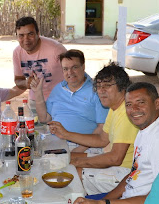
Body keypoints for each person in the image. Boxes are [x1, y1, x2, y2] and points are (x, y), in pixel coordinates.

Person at [73, 82, 159, 204]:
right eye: (129, 104)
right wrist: (105, 201)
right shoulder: (145, 129)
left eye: (141, 102)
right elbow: (133, 174)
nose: (134, 109)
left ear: (157, 103)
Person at [48, 63, 138, 195]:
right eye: (99, 86)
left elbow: (115, 159)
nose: (101, 91)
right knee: (62, 157)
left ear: (122, 87)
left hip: (124, 173)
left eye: (107, 86)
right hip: (113, 161)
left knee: (67, 173)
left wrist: (77, 162)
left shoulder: (125, 113)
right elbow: (102, 139)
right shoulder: (115, 108)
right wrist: (66, 134)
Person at [30, 49, 108, 144]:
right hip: (56, 143)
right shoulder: (58, 89)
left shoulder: (97, 90)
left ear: (83, 66)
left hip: (84, 146)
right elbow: (44, 118)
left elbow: (102, 128)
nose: (70, 72)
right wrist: (38, 92)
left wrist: (81, 149)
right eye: (65, 69)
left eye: (74, 67)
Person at [12, 16, 67, 110]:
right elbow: (18, 80)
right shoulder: (17, 53)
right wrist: (26, 83)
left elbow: (74, 71)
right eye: (21, 35)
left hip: (60, 100)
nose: (26, 39)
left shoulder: (56, 49)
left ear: (38, 34)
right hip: (35, 101)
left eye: (30, 34)